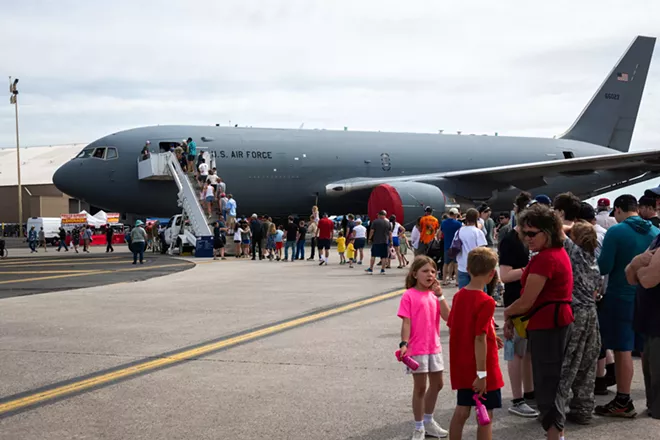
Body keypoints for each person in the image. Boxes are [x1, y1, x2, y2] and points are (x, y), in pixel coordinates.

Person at [504, 204, 574, 440]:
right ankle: (555, 434)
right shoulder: (553, 253)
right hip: (551, 322)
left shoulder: (546, 258)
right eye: (524, 233)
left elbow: (526, 301)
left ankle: (555, 435)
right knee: (550, 382)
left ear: (548, 232)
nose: (527, 239)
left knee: (548, 384)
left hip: (548, 324)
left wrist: (507, 314)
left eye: (532, 234)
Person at [596, 194, 659, 417]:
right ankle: (651, 399)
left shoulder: (617, 231)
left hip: (620, 295)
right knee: (645, 349)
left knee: (622, 349)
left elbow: (604, 266)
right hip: (645, 296)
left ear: (619, 210)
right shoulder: (654, 231)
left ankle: (623, 398)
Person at [448, 247, 504, 440]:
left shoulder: (459, 296)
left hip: (462, 363)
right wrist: (482, 374)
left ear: (468, 270)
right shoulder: (486, 301)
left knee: (462, 411)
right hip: (482, 365)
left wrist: (490, 334)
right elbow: (478, 338)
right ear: (491, 274)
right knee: (485, 415)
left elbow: (457, 324)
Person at [397, 256, 451, 440]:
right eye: (425, 271)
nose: (430, 274)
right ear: (415, 274)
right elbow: (406, 322)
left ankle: (428, 421)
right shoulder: (409, 295)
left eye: (433, 271)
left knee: (438, 384)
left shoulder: (434, 296)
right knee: (420, 388)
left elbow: (448, 318)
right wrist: (404, 343)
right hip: (417, 349)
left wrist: (440, 295)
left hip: (434, 347)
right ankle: (419, 426)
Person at [557, 221, 602, 425]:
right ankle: (583, 408)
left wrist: (570, 226)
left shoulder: (574, 252)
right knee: (587, 364)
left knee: (568, 362)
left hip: (575, 313)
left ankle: (556, 408)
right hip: (592, 314)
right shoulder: (594, 257)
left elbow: (556, 228)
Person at [498, 192, 537, 418]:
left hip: (535, 302)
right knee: (516, 353)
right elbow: (504, 275)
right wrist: (531, 269)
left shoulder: (539, 238)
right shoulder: (510, 240)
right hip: (516, 302)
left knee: (529, 351)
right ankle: (517, 398)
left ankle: (530, 392)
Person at [626, 233, 660, 419]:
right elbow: (629, 276)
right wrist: (636, 264)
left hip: (656, 324)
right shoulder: (658, 239)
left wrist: (636, 265)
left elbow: (647, 279)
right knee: (651, 376)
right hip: (649, 322)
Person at [455, 209, 488, 289]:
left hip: (462, 265)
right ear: (477, 218)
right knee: (480, 293)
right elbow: (483, 250)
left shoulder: (459, 231)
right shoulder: (478, 232)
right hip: (476, 267)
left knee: (464, 294)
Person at [441, 208, 462, 286]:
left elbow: (440, 233)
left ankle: (444, 280)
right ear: (455, 215)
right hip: (456, 246)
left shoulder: (443, 223)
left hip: (447, 246)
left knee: (446, 263)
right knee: (456, 264)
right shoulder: (458, 224)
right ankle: (457, 281)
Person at [366, 210, 392, 274]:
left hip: (376, 241)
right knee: (384, 256)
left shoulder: (375, 222)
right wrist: (391, 241)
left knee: (373, 255)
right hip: (385, 241)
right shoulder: (388, 223)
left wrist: (369, 239)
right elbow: (390, 233)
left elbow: (372, 231)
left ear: (379, 215)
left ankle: (371, 269)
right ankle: (382, 270)